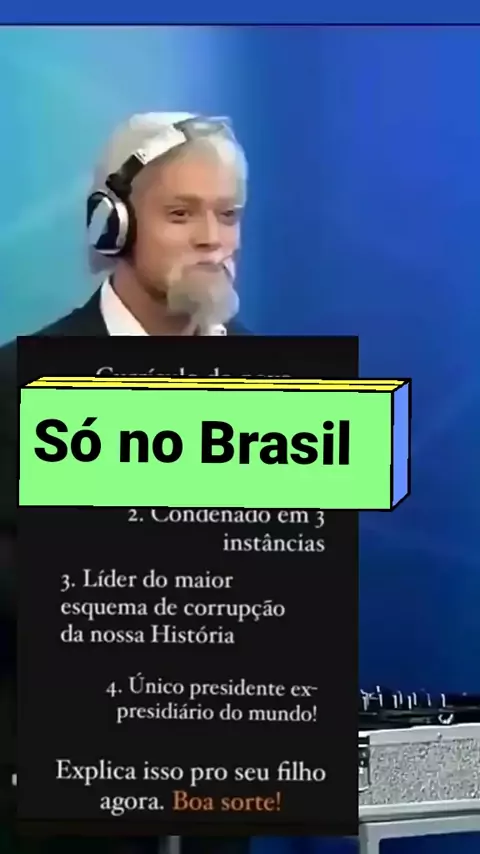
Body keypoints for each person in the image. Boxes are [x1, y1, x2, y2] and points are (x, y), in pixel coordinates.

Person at [0, 112, 251, 854]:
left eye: (228, 214)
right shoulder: (21, 385)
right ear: (112, 226)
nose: (212, 239)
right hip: (65, 808)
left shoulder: (273, 385)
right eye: (181, 214)